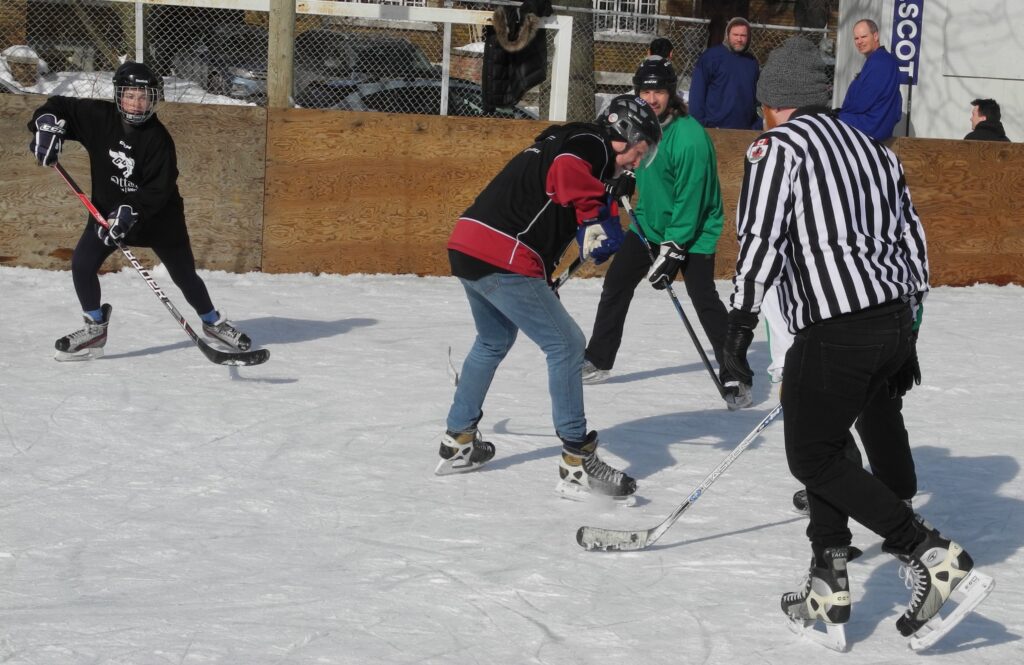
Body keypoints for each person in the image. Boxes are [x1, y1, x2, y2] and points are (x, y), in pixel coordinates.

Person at [722, 36, 991, 648]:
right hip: (891, 317)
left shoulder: (778, 147)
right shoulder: (873, 148)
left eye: (765, 103)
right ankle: (827, 584)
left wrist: (737, 328)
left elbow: (760, 239)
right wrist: (910, 327)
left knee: (813, 455)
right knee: (827, 442)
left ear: (776, 102)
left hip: (836, 327)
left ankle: (930, 554)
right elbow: (910, 238)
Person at [437, 94, 662, 502]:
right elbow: (567, 171)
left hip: (470, 241)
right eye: (638, 153)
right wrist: (596, 212)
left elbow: (558, 202)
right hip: (503, 253)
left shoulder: (568, 138)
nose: (635, 164)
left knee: (492, 340)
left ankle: (458, 441)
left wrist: (603, 210)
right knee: (567, 344)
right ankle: (577, 461)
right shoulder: (590, 142)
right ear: (622, 135)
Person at [28, 62, 252, 361]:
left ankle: (212, 322)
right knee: (82, 265)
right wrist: (46, 126)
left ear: (153, 99)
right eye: (130, 95)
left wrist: (130, 211)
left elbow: (159, 190)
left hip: (159, 219)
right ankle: (95, 327)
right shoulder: (99, 118)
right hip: (106, 216)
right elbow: (58, 106)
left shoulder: (158, 139)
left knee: (185, 276)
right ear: (119, 95)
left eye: (143, 96)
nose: (137, 103)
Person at [581, 56, 752, 410]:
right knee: (616, 284)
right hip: (651, 223)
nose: (652, 97)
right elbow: (640, 162)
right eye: (645, 90)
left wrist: (673, 250)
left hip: (695, 229)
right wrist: (626, 176)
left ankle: (736, 374)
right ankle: (598, 360)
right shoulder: (642, 126)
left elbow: (691, 199)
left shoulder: (690, 138)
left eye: (658, 90)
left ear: (671, 93)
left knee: (703, 297)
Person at [761, 288, 918, 518]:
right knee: (826, 419)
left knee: (876, 408)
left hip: (871, 322)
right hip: (827, 332)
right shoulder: (773, 259)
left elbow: (913, 276)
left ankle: (896, 495)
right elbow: (773, 301)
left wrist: (909, 336)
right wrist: (786, 365)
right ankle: (841, 488)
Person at [688, 16, 761, 130]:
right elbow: (697, 96)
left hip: (745, 131)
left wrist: (755, 125)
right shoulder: (711, 58)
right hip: (715, 128)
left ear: (749, 37)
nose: (739, 39)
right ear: (727, 35)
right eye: (735, 35)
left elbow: (755, 98)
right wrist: (701, 125)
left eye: (743, 36)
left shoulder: (752, 62)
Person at [838, 18, 902, 141]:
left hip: (870, 127)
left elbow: (862, 100)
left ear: (875, 36)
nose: (859, 42)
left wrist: (839, 115)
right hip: (874, 124)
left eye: (863, 37)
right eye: (856, 38)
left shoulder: (880, 62)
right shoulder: (879, 60)